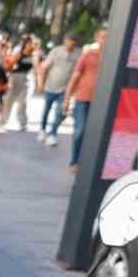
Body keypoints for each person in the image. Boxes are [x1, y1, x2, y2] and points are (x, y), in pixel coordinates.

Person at [66, 26, 106, 171]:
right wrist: (67, 97)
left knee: (95, 132)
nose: (105, 39)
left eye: (107, 37)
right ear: (96, 38)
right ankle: (74, 161)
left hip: (101, 100)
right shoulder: (88, 55)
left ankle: (88, 162)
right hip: (83, 98)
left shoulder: (111, 56)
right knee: (80, 130)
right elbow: (76, 75)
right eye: (102, 36)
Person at [39, 32, 79, 148]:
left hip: (65, 89)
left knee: (60, 112)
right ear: (65, 41)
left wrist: (73, 90)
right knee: (47, 109)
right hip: (50, 86)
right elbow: (44, 67)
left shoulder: (78, 54)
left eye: (73, 42)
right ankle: (42, 129)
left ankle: (52, 134)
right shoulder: (56, 51)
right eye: (68, 41)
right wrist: (41, 83)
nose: (70, 44)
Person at [3, 34, 37, 132]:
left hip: (26, 79)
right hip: (15, 77)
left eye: (31, 43)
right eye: (28, 43)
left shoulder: (34, 54)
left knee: (23, 102)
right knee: (9, 100)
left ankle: (23, 123)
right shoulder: (19, 53)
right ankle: (4, 121)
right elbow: (10, 64)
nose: (29, 45)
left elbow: (36, 67)